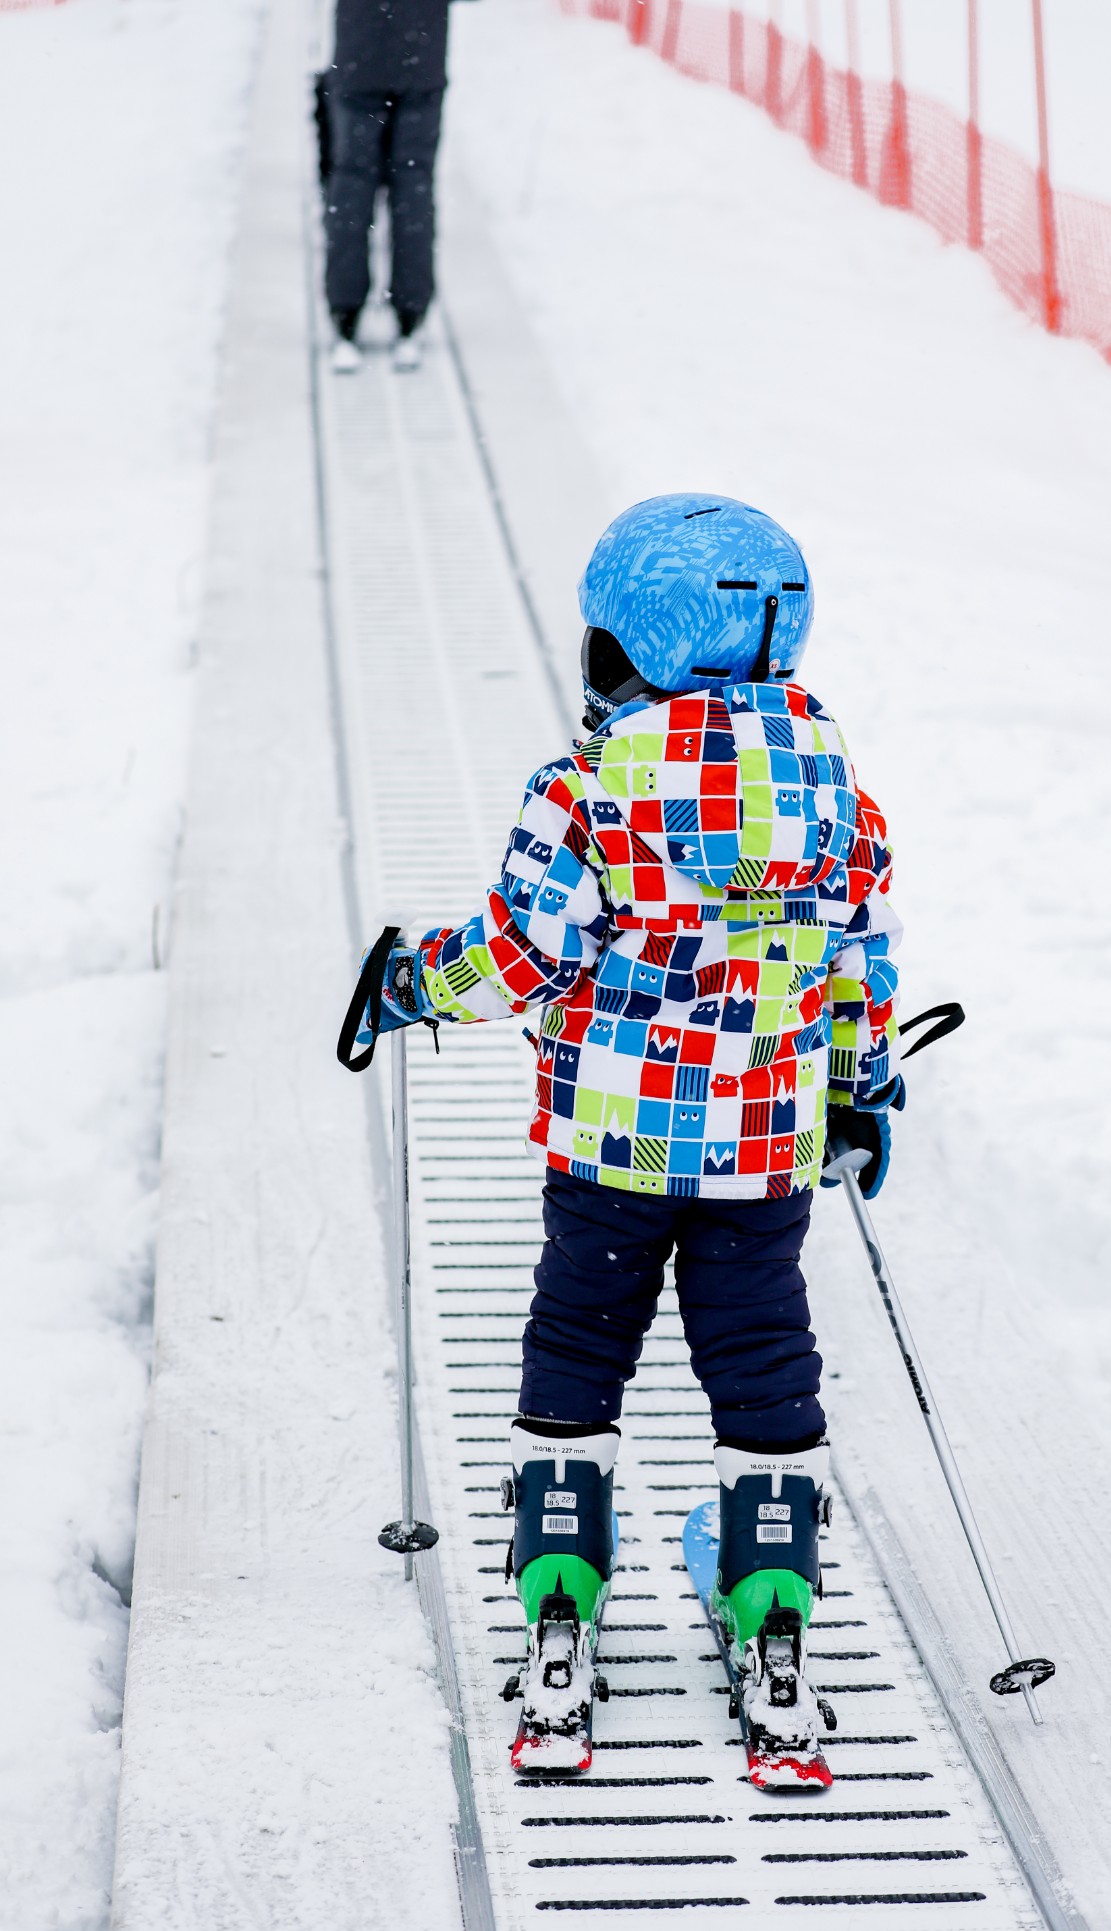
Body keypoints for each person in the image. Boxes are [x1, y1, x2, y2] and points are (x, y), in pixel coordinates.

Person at [356, 495, 904, 1767]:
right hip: (763, 1153)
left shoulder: (590, 789)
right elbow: (858, 962)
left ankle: (557, 1604)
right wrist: (857, 1086)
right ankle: (772, 1616)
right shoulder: (839, 792)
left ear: (625, 644)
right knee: (765, 1358)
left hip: (614, 1149)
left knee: (578, 1343)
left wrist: (411, 985)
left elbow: (515, 957)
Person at [324, 0, 455, 373]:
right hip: (422, 58)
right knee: (413, 184)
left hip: (357, 56)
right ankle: (410, 312)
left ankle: (345, 310)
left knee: (351, 180)